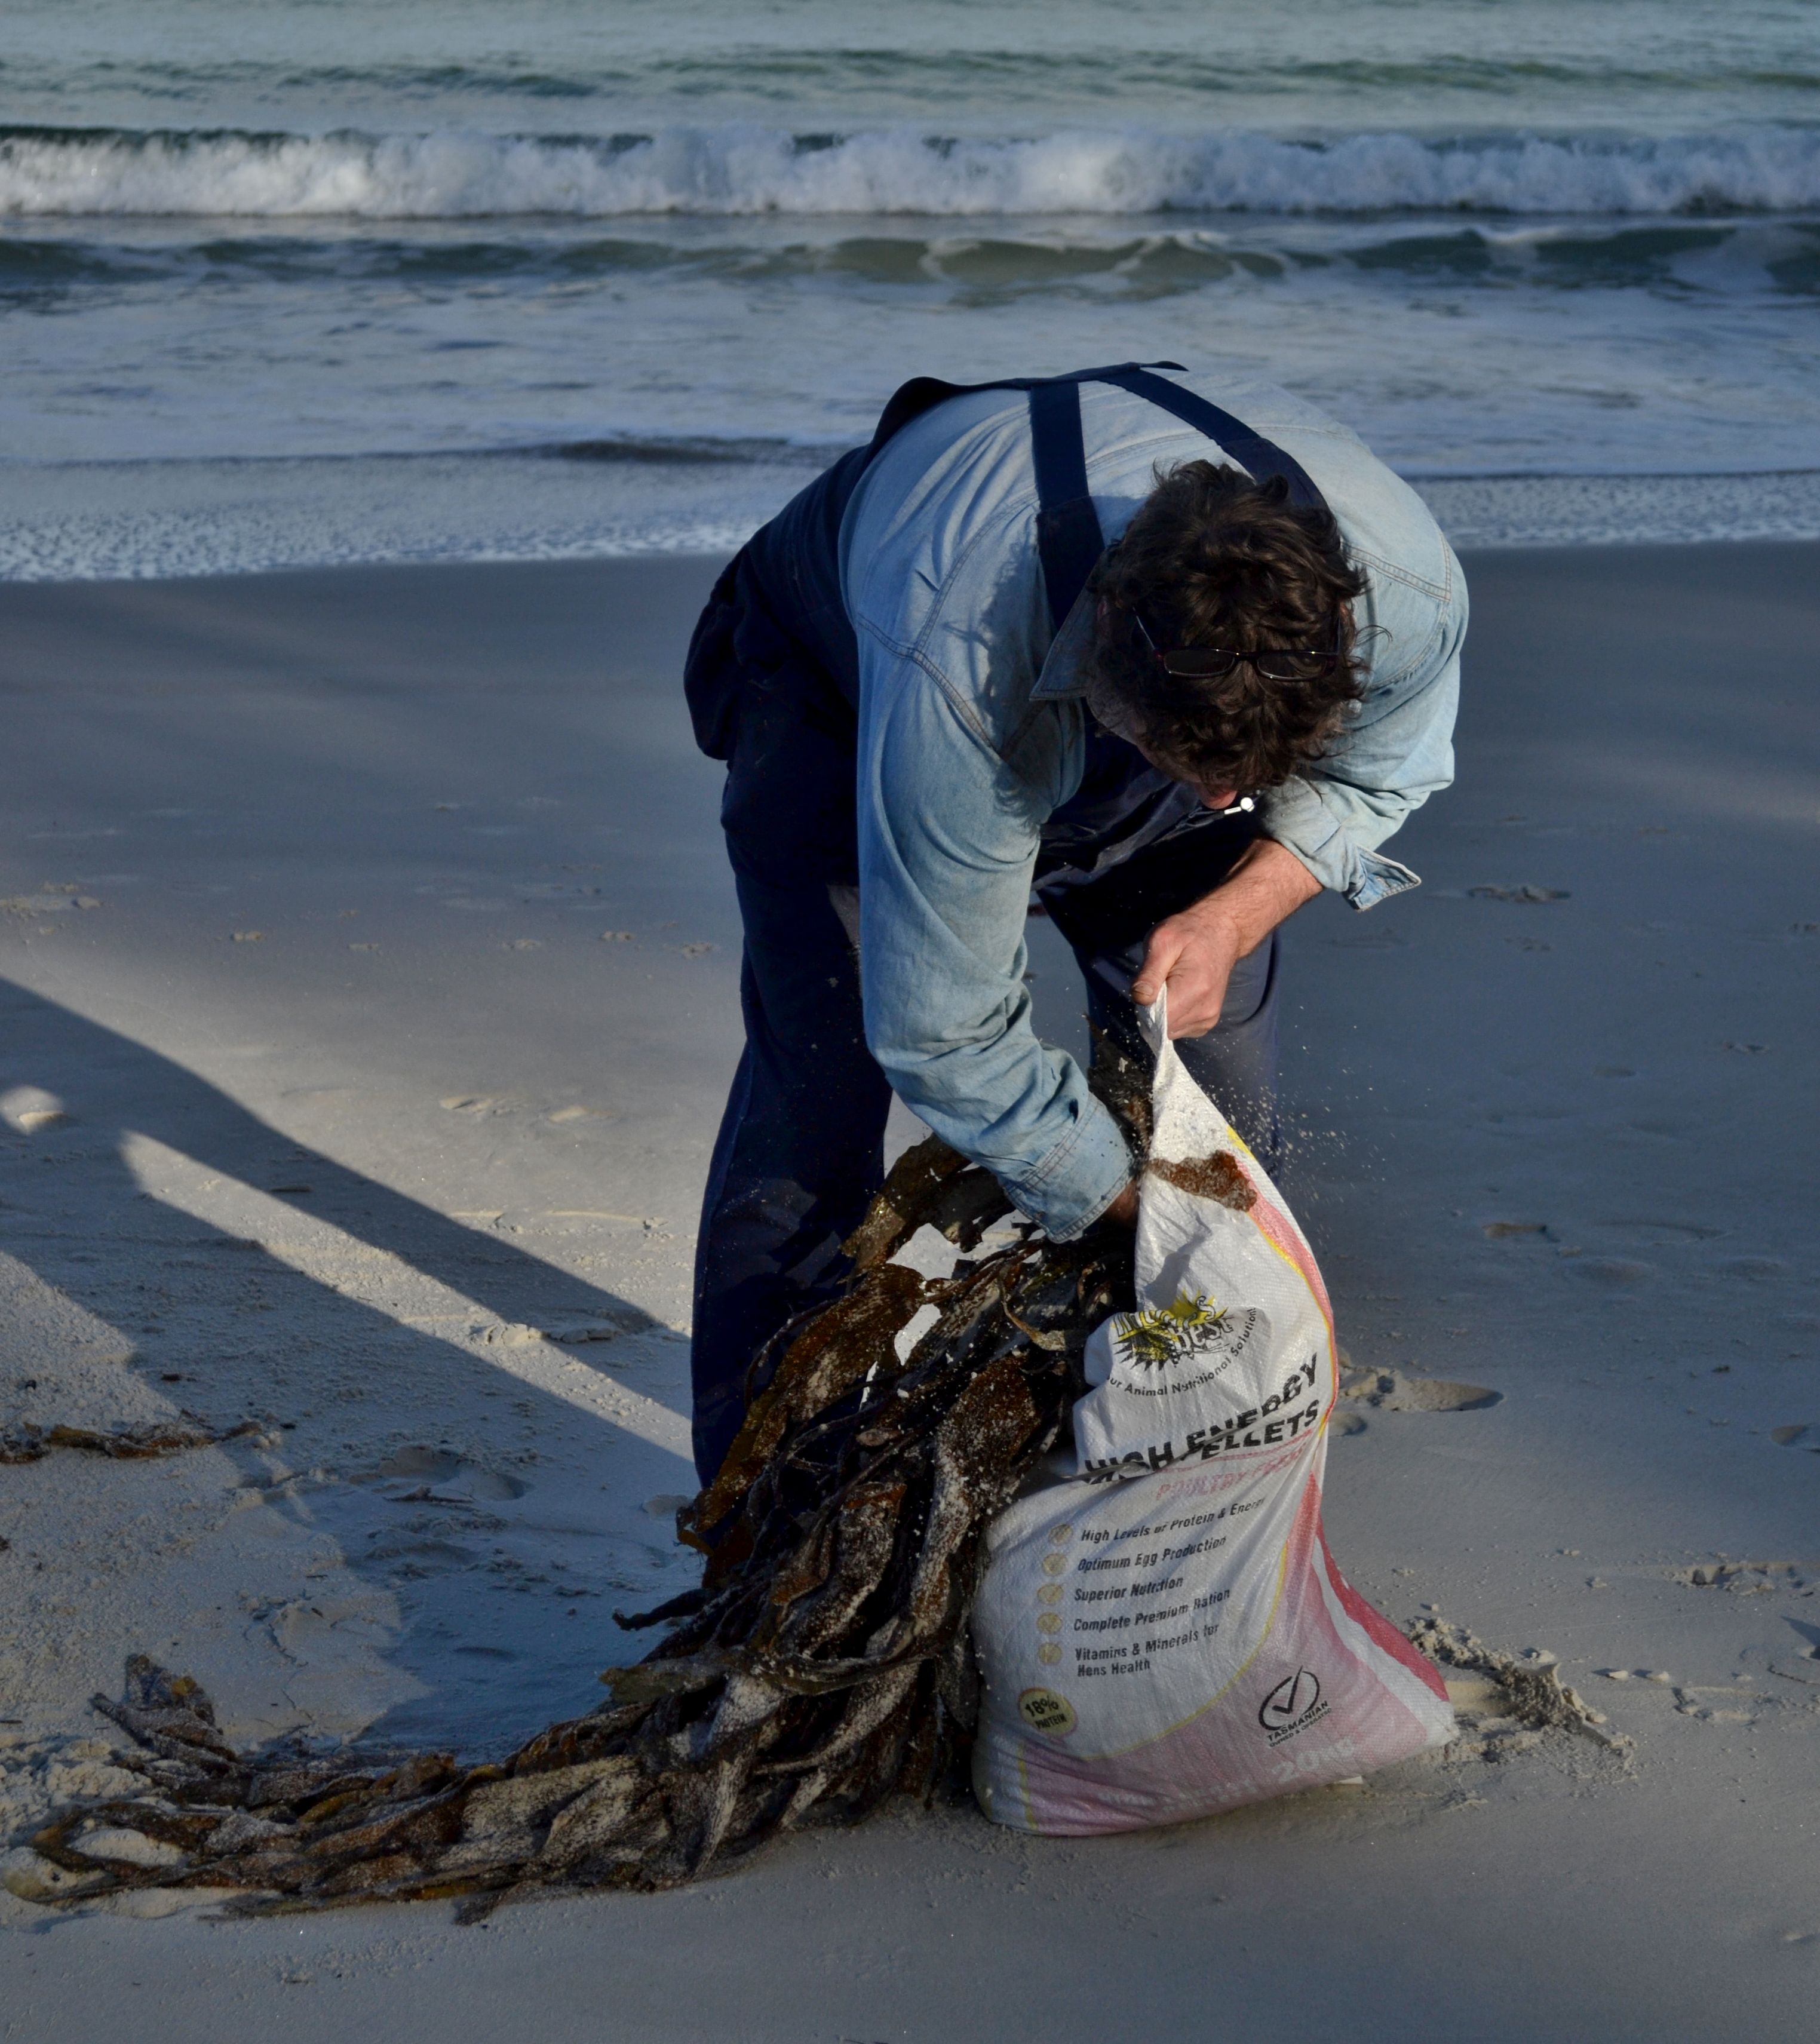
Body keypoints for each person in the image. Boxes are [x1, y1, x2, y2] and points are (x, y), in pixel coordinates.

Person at [682, 362, 1465, 1483]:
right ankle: (760, 1512)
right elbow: (944, 1033)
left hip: (1166, 688)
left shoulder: (1405, 590)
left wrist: (1238, 908)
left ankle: (1143, 1461)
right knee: (822, 1086)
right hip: (839, 684)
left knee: (1216, 1109)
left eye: (1238, 780)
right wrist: (1122, 1208)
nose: (1212, 804)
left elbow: (1383, 775)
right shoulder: (960, 660)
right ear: (1104, 653)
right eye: (1194, 767)